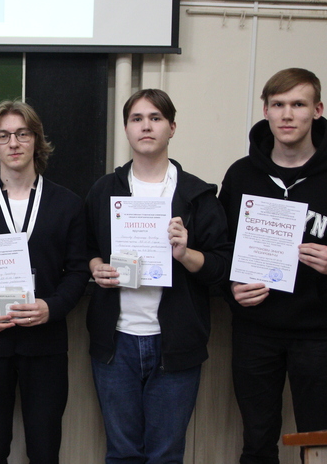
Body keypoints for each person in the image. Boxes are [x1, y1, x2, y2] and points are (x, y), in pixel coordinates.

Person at [219, 68, 327, 464]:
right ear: (265, 111)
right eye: (278, 105)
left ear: (317, 110)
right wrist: (231, 286)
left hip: (318, 334)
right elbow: (221, 249)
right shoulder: (242, 174)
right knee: (257, 443)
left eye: (298, 104)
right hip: (255, 331)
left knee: (320, 445)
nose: (287, 114)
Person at [85, 89, 232, 464]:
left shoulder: (198, 195)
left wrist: (186, 254)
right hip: (116, 343)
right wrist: (95, 265)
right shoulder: (104, 191)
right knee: (122, 453)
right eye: (137, 119)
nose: (146, 126)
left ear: (172, 128)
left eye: (155, 118)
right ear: (126, 129)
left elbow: (222, 266)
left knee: (166, 454)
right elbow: (84, 247)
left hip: (176, 343)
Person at [0, 100, 89, 464]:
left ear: (36, 140)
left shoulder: (68, 204)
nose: (13, 143)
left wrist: (51, 308)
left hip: (44, 344)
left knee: (44, 450)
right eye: (3, 136)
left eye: (22, 134)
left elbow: (78, 272)